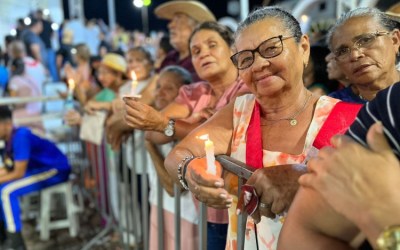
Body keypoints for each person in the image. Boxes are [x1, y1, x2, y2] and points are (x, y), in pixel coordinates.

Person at [164, 7, 361, 250]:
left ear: (304, 48)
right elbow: (177, 156)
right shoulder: (240, 111)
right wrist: (191, 172)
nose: (258, 65)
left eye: (271, 48)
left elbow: (373, 200)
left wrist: (305, 179)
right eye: (246, 59)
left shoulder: (349, 119)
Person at [278, 7, 400, 250]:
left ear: (395, 40)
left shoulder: (393, 102)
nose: (355, 54)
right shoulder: (329, 108)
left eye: (365, 39)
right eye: (342, 51)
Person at [124, 22, 248, 250]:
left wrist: (173, 124)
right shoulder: (195, 92)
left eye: (212, 45)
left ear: (232, 49)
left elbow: (224, 135)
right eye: (196, 51)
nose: (204, 54)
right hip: (209, 209)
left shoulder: (247, 88)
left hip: (245, 209)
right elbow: (153, 133)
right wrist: (193, 124)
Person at [279, 82, 400, 250]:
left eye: (269, 53)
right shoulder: (391, 107)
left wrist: (384, 216)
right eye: (341, 53)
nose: (357, 55)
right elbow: (300, 235)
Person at [0, 105, 71, 250]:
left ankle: (16, 243)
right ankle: (4, 237)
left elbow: (18, 173)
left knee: (6, 191)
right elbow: (8, 168)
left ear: (7, 123)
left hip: (56, 170)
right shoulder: (8, 140)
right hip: (38, 170)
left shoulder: (21, 136)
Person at [144, 66, 199, 250]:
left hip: (184, 215)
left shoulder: (185, 130)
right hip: (159, 205)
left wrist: (150, 147)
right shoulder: (156, 129)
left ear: (184, 93)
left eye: (168, 88)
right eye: (158, 86)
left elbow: (172, 187)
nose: (159, 93)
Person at [154, 0, 216, 81]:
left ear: (195, 27)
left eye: (178, 19)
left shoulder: (203, 59)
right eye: (172, 21)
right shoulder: (170, 57)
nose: (170, 25)